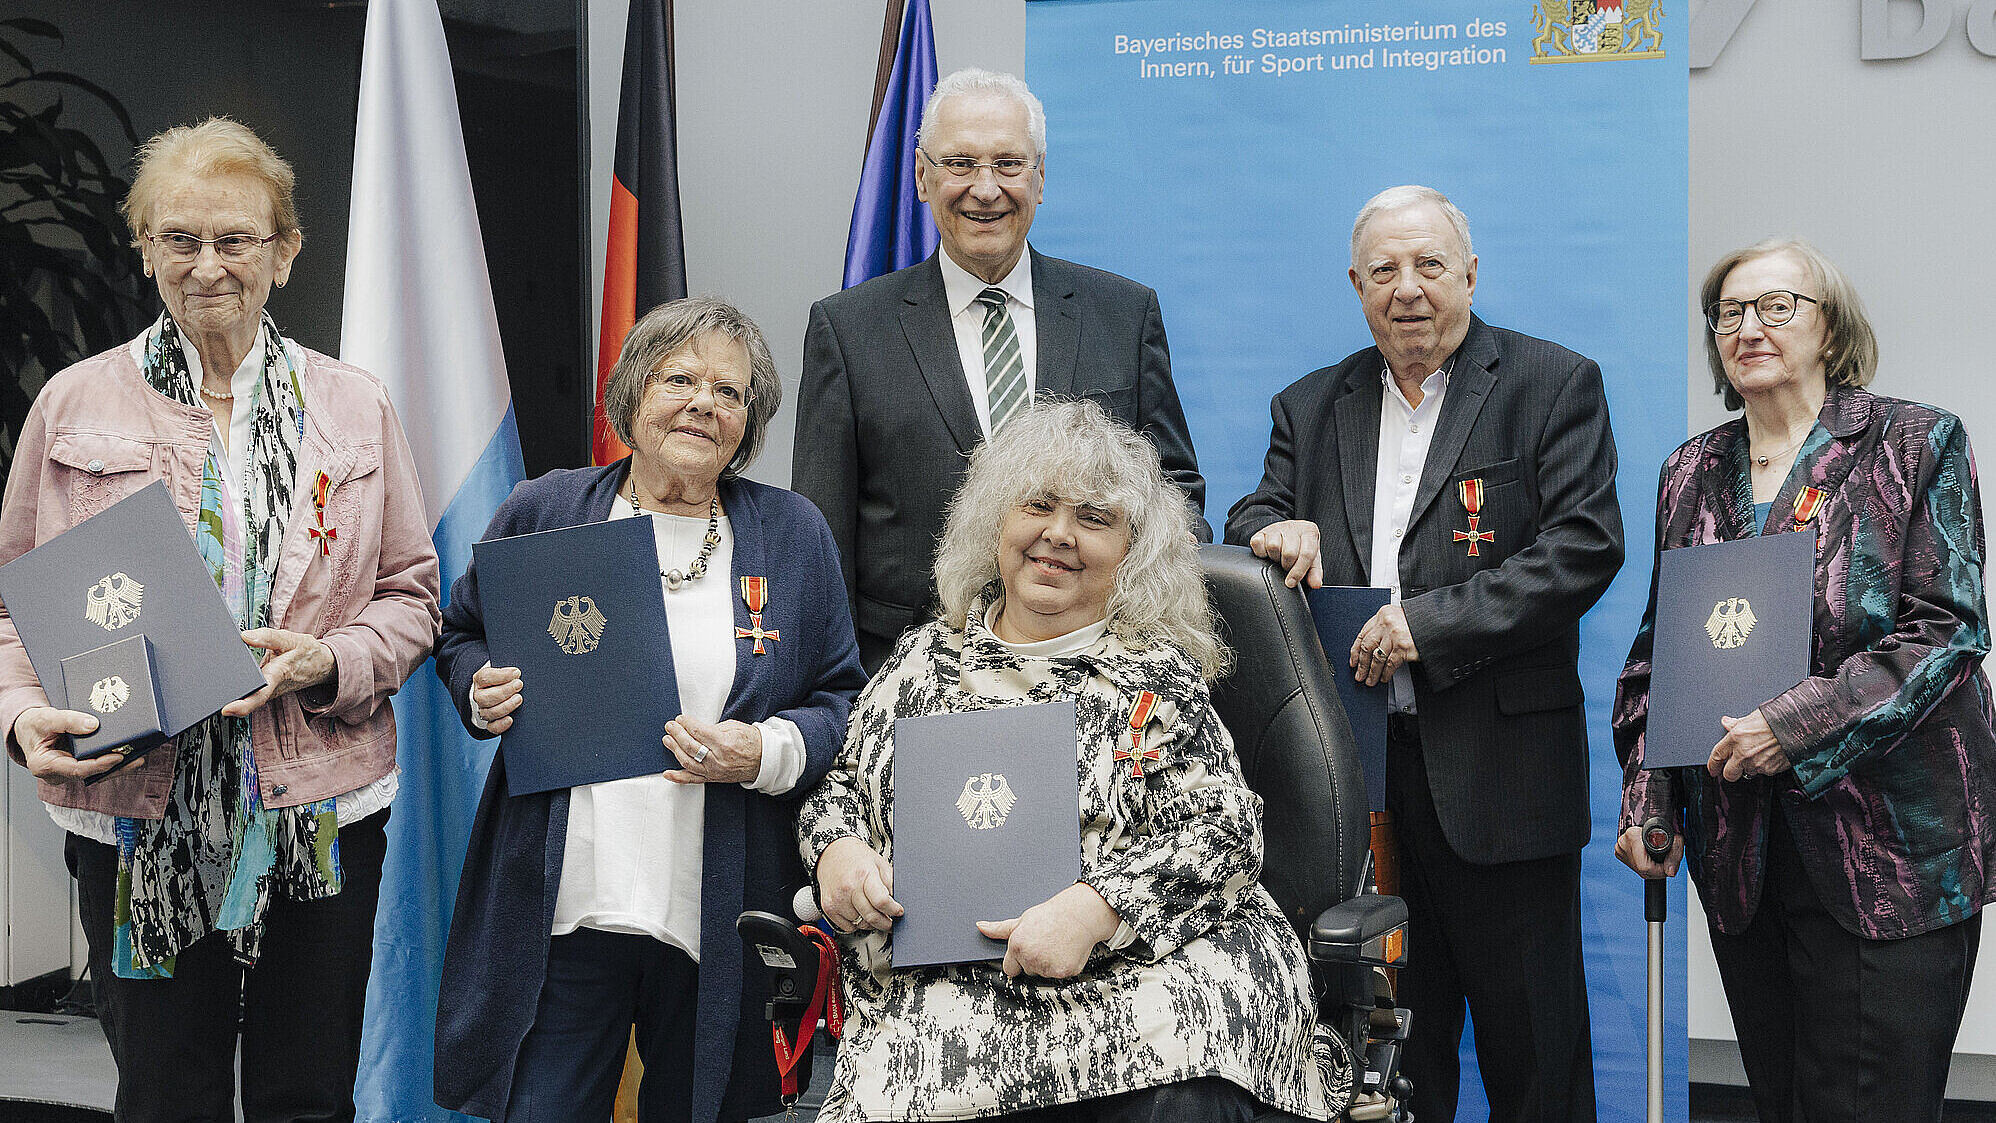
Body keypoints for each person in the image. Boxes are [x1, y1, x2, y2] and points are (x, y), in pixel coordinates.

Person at [0, 117, 441, 1121]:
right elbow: (11, 600)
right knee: (165, 1095)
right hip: (135, 811)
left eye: (236, 239)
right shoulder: (71, 405)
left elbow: (413, 593)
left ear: (283, 252)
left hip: (319, 806)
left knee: (307, 1095)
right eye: (179, 239)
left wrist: (327, 659)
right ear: (146, 247)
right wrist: (23, 721)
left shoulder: (353, 405)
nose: (207, 265)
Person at [798, 399, 1337, 1122]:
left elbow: (1225, 831)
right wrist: (837, 852)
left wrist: (1096, 909)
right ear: (997, 525)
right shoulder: (923, 662)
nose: (1058, 534)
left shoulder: (1154, 672)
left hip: (1146, 967)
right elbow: (839, 790)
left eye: (1093, 517)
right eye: (1039, 506)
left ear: (1131, 550)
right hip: (958, 984)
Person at [1224, 185, 1622, 1123]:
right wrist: (1275, 532)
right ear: (1357, 287)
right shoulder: (1310, 402)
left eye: (1430, 265)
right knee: (1392, 1047)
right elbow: (1251, 513)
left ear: (1470, 275)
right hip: (1356, 783)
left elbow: (1582, 547)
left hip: (1503, 776)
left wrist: (1426, 626)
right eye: (1385, 271)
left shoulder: (1552, 382)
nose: (1409, 289)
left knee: (1535, 1050)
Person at [432, 297, 867, 1123]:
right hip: (565, 904)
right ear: (630, 395)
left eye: (730, 392)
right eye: (681, 379)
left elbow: (842, 698)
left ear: (749, 422)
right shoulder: (547, 509)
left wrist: (764, 751)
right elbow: (462, 634)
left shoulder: (792, 533)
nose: (706, 402)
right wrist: (479, 687)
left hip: (716, 909)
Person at [1614, 238, 1996, 1123]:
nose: (1749, 327)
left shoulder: (1913, 441)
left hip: (1891, 853)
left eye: (1777, 306)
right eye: (1730, 312)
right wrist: (1649, 797)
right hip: (1744, 857)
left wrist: (1791, 723)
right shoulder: (1691, 469)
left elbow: (1946, 631)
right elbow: (1658, 656)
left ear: (1830, 330)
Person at [793, 67, 1208, 673]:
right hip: (910, 683)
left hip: (1098, 682)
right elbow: (822, 539)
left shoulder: (1124, 314)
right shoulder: (849, 331)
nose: (985, 189)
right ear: (920, 178)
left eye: (1009, 165)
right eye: (960, 164)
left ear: (1040, 180)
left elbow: (1174, 494)